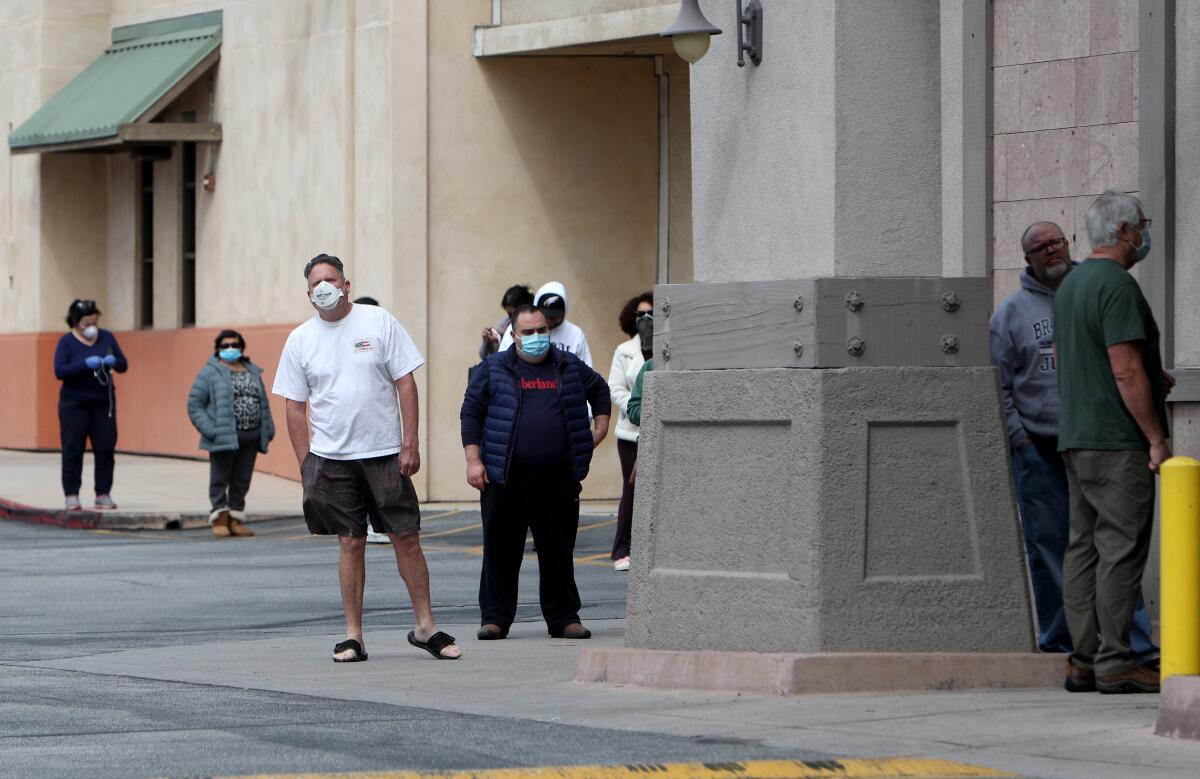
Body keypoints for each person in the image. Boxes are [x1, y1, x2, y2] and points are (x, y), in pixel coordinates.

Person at [274, 254, 461, 662]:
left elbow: (405, 382)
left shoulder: (378, 322)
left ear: (346, 284)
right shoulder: (300, 339)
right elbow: (293, 406)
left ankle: (425, 626)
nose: (324, 286)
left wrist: (410, 442)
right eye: (316, 282)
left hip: (384, 454)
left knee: (406, 538)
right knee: (349, 542)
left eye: (331, 279)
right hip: (331, 459)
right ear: (308, 293)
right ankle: (353, 636)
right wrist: (307, 463)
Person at [990, 221, 1157, 668]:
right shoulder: (1009, 315)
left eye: (1057, 242)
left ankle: (1130, 646)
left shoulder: (1088, 291)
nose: (1051, 251)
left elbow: (1121, 361)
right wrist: (1019, 439)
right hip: (1041, 449)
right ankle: (1066, 646)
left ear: (1071, 243)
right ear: (1026, 259)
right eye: (1040, 248)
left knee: (1107, 546)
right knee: (1056, 550)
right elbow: (997, 385)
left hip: (1089, 439)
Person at [1054, 190, 1173, 695]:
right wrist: (1155, 438)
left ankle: (1083, 660)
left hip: (1076, 436)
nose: (1144, 233)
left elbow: (1071, 359)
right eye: (1141, 224)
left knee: (1082, 548)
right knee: (1121, 549)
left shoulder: (1071, 285)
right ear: (1123, 231)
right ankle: (1117, 661)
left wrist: (1151, 374)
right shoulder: (1118, 287)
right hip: (1117, 441)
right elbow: (1124, 370)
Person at [460, 304, 611, 641]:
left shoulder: (567, 365)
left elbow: (600, 390)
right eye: (528, 332)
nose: (537, 337)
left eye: (541, 330)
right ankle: (495, 618)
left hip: (558, 477)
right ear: (514, 336)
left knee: (558, 551)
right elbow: (470, 412)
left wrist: (598, 431)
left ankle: (563, 617)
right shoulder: (494, 368)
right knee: (500, 551)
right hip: (504, 477)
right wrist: (474, 461)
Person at [187, 330, 276, 538]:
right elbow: (194, 404)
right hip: (223, 436)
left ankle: (236, 517)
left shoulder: (251, 370)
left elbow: (262, 401)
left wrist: (268, 427)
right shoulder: (210, 372)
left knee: (242, 479)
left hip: (251, 437)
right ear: (218, 348)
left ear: (242, 347)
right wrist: (211, 430)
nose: (230, 349)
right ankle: (219, 518)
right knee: (220, 478)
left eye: (234, 345)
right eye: (225, 345)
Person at [53, 299, 128, 511]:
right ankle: (71, 494)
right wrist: (84, 365)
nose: (91, 327)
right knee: (73, 448)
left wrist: (114, 362)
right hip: (74, 403)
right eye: (86, 323)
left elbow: (123, 364)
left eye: (94, 321)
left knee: (105, 447)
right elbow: (60, 371)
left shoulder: (107, 337)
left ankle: (103, 493)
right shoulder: (66, 342)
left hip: (103, 402)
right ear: (75, 323)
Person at [607, 292, 653, 571]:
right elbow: (616, 388)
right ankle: (622, 549)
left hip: (659, 428)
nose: (646, 319)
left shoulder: (669, 348)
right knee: (632, 488)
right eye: (640, 315)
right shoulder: (624, 351)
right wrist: (639, 409)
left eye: (652, 313)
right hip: (630, 432)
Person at [352, 295, 391, 545]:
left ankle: (378, 524)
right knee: (358, 491)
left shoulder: (383, 339)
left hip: (379, 435)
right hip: (350, 438)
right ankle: (367, 526)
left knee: (382, 491)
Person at [497, 281, 593, 366]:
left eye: (556, 316)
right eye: (547, 315)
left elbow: (586, 371)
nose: (551, 320)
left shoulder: (575, 334)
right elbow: (502, 362)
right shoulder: (517, 327)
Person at [479, 285, 533, 360]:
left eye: (514, 313)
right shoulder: (504, 325)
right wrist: (489, 341)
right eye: (509, 314)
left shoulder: (537, 324)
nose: (511, 318)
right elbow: (485, 357)